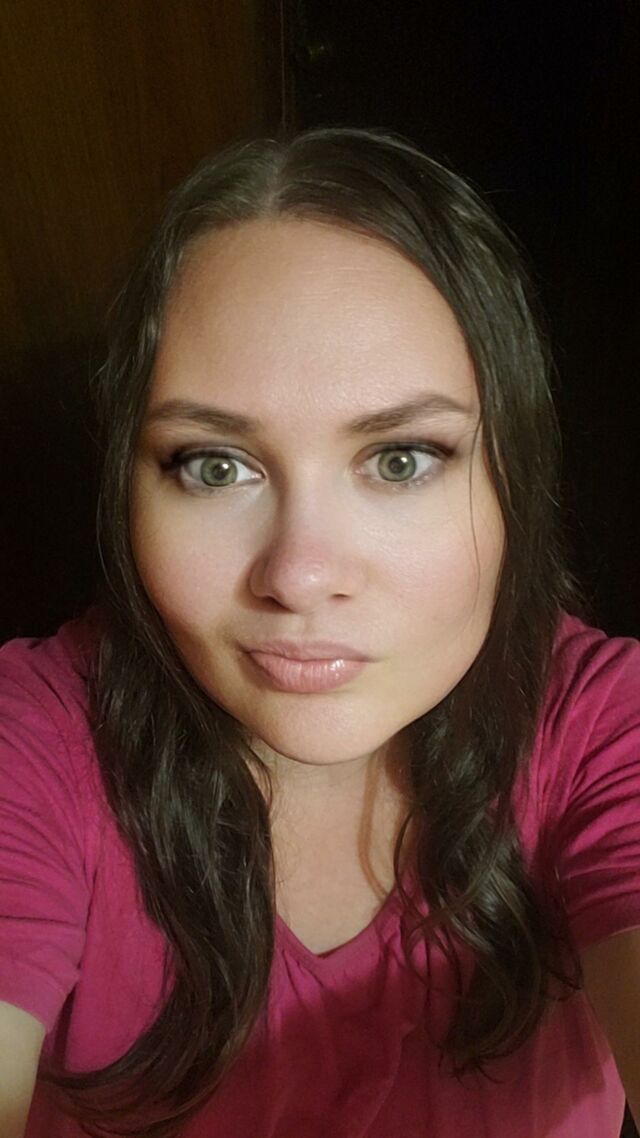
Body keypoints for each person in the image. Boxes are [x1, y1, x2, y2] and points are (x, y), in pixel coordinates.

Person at [0, 127, 638, 1138]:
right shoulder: (36, 738)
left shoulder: (603, 729)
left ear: (513, 475)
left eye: (400, 459)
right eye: (214, 466)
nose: (298, 576)